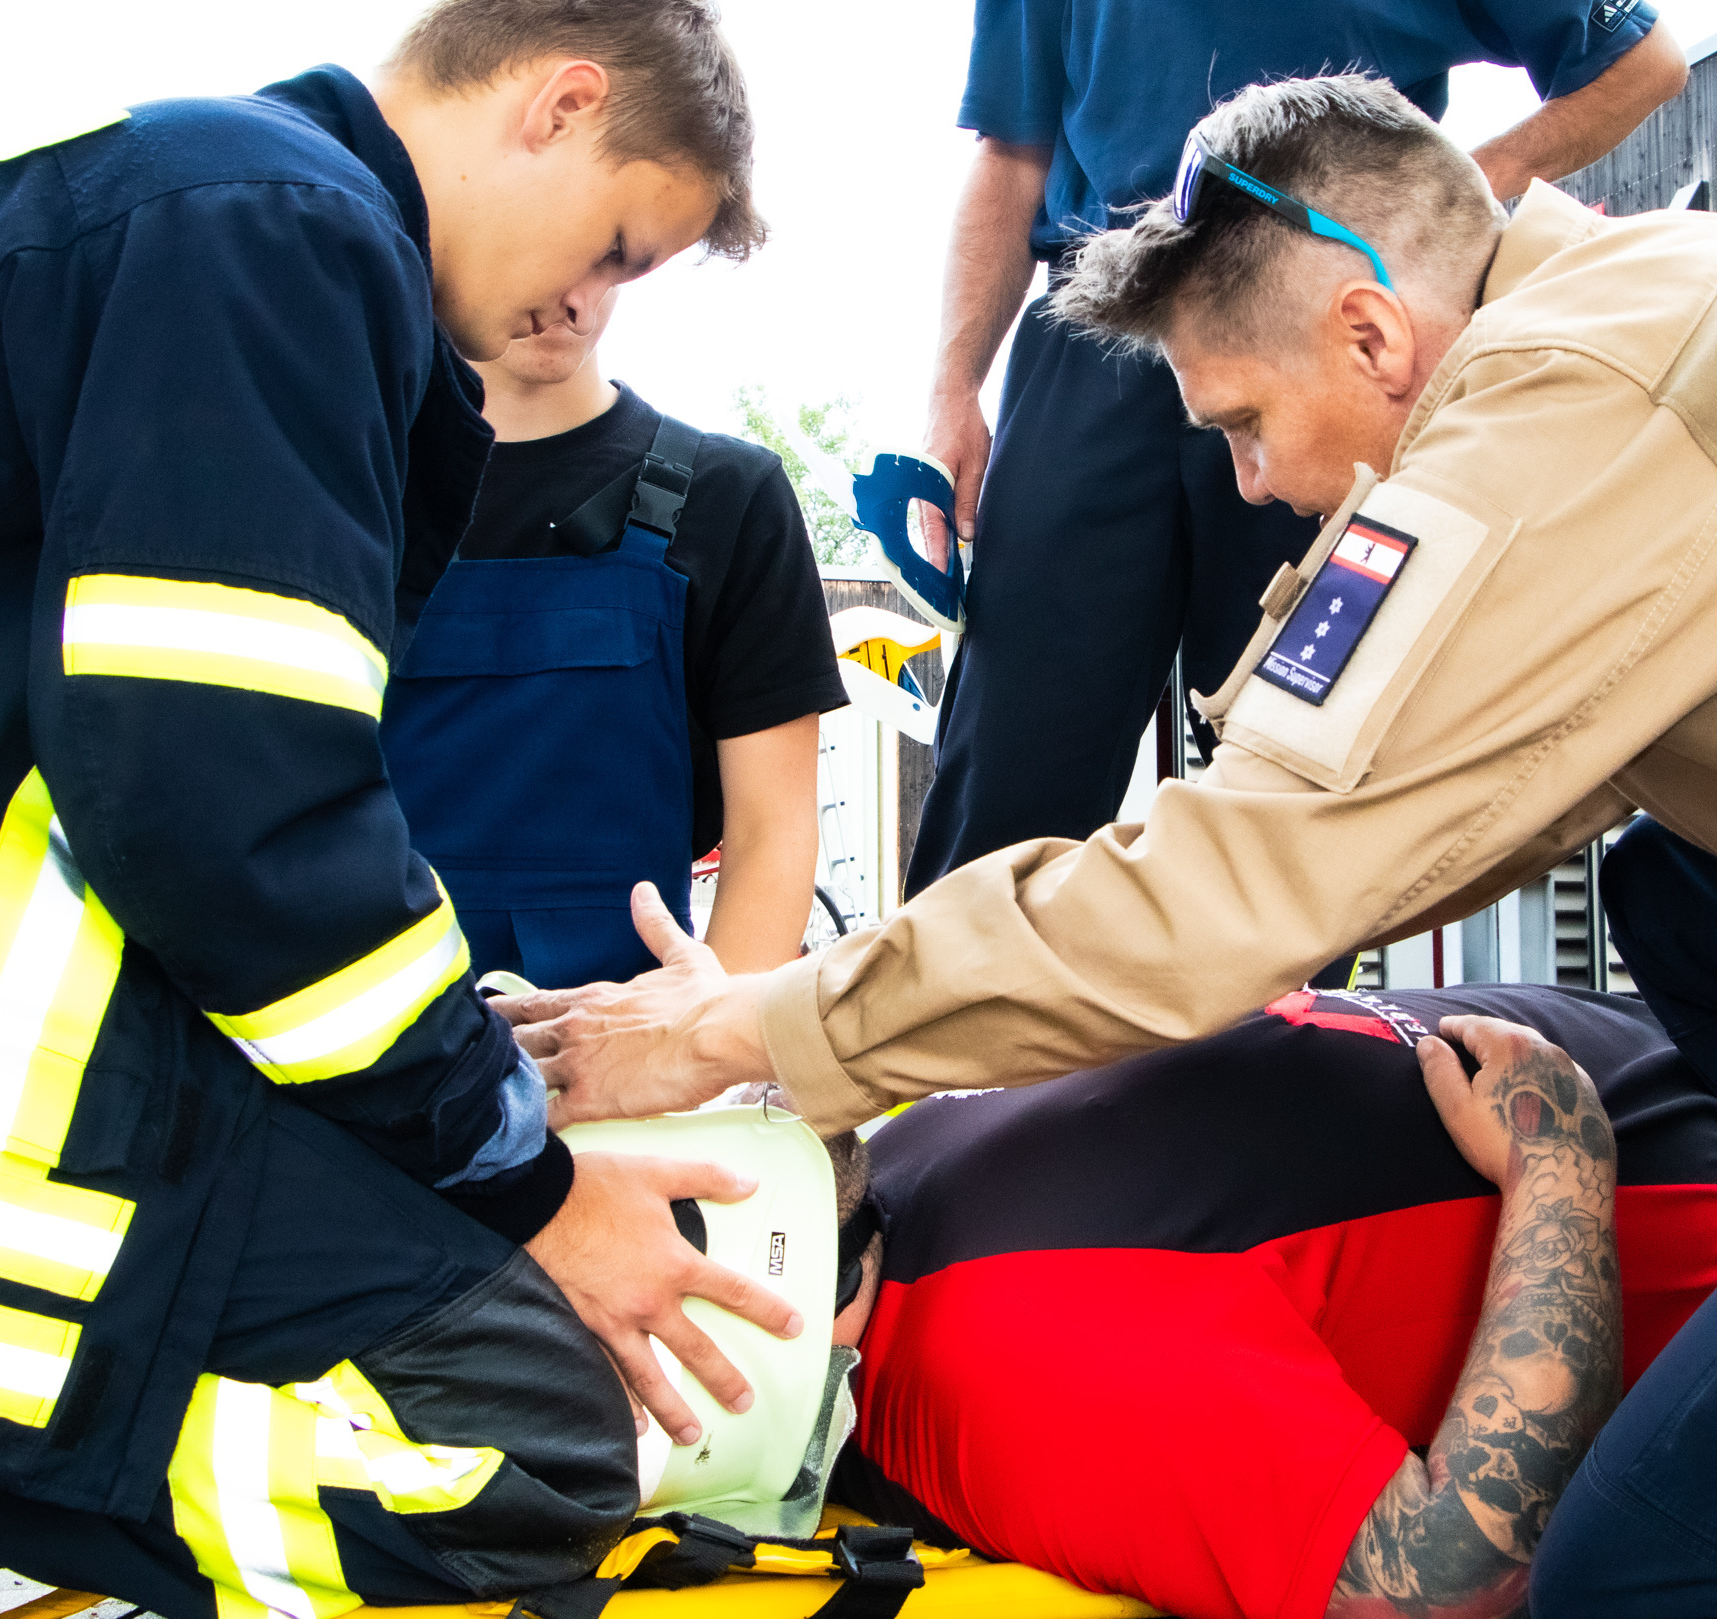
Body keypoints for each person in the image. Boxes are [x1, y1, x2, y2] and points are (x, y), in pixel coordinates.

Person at [496, 72, 1717, 1612]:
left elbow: (1240, 878)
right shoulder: (1625, 308)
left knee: (1618, 1583)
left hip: (1624, 1133)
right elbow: (1377, 831)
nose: (1253, 485)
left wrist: (742, 1028)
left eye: (1245, 424)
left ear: (1368, 333)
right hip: (1638, 1074)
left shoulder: (1573, 399)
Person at [0, 1, 811, 1611]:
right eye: (619, 244)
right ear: (560, 102)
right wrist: (522, 1176)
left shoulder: (188, 196)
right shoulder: (281, 229)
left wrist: (458, 1067)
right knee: (533, 1432)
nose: (589, 299)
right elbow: (226, 797)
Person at [904, 0, 1687, 893]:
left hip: (1309, 323)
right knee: (1009, 751)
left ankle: (1290, 993)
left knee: (1306, 765)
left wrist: (1434, 199)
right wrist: (953, 385)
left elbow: (1642, 62)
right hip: (1100, 313)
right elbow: (1013, 152)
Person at [828, 984, 1717, 1619]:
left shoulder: (893, 1162)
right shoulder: (1004, 1370)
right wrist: (1560, 1169)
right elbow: (1443, 1577)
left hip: (1662, 1045)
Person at [381, 284, 844, 984]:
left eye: (608, 249)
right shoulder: (340, 497)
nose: (570, 294)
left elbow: (770, 834)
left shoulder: (731, 498)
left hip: (637, 1036)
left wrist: (700, 1038)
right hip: (363, 1025)